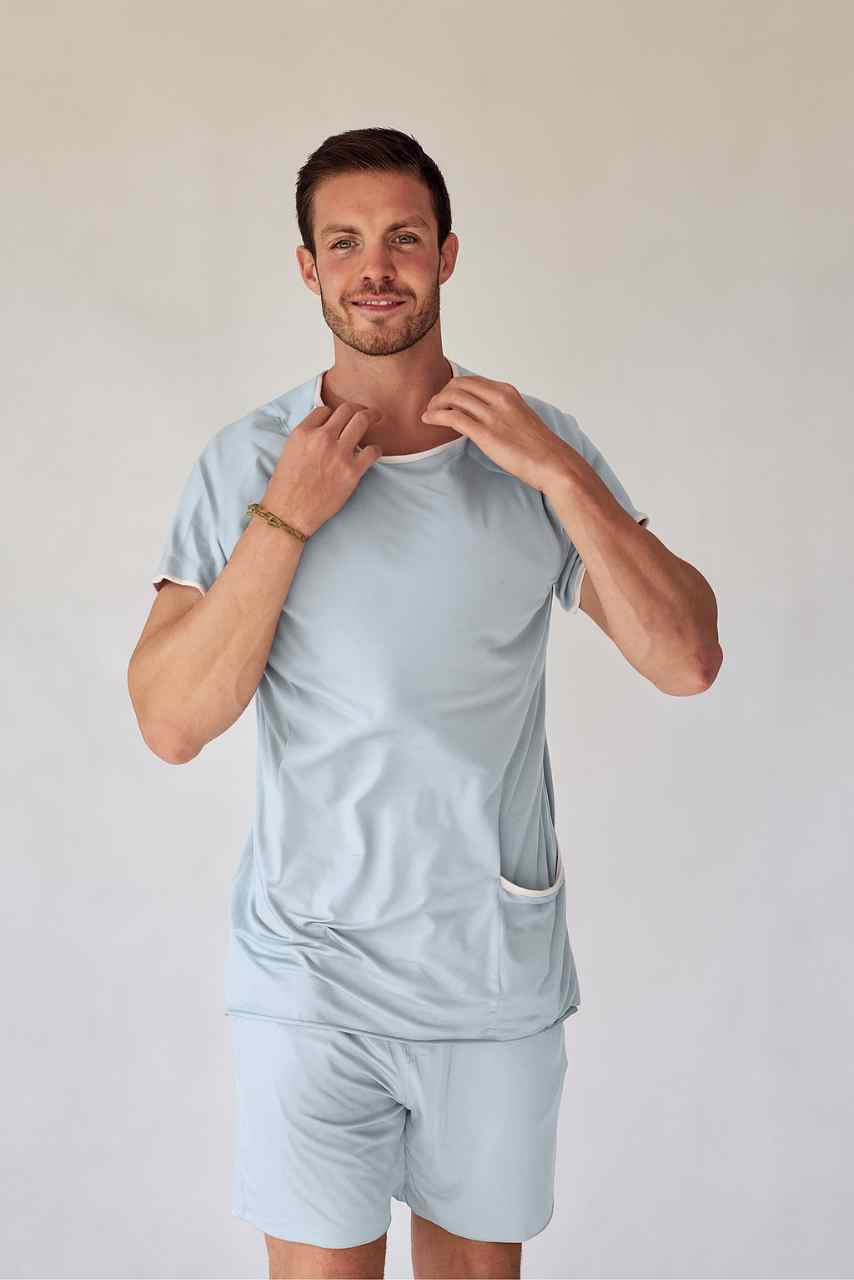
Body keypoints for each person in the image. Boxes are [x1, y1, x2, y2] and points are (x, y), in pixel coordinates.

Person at [127, 126, 723, 1280]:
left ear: (446, 254)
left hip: (489, 974)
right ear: (307, 267)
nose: (376, 267)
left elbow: (685, 656)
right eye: (344, 241)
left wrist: (558, 474)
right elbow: (171, 720)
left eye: (402, 237)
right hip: (308, 975)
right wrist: (287, 516)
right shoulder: (248, 461)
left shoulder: (533, 450)